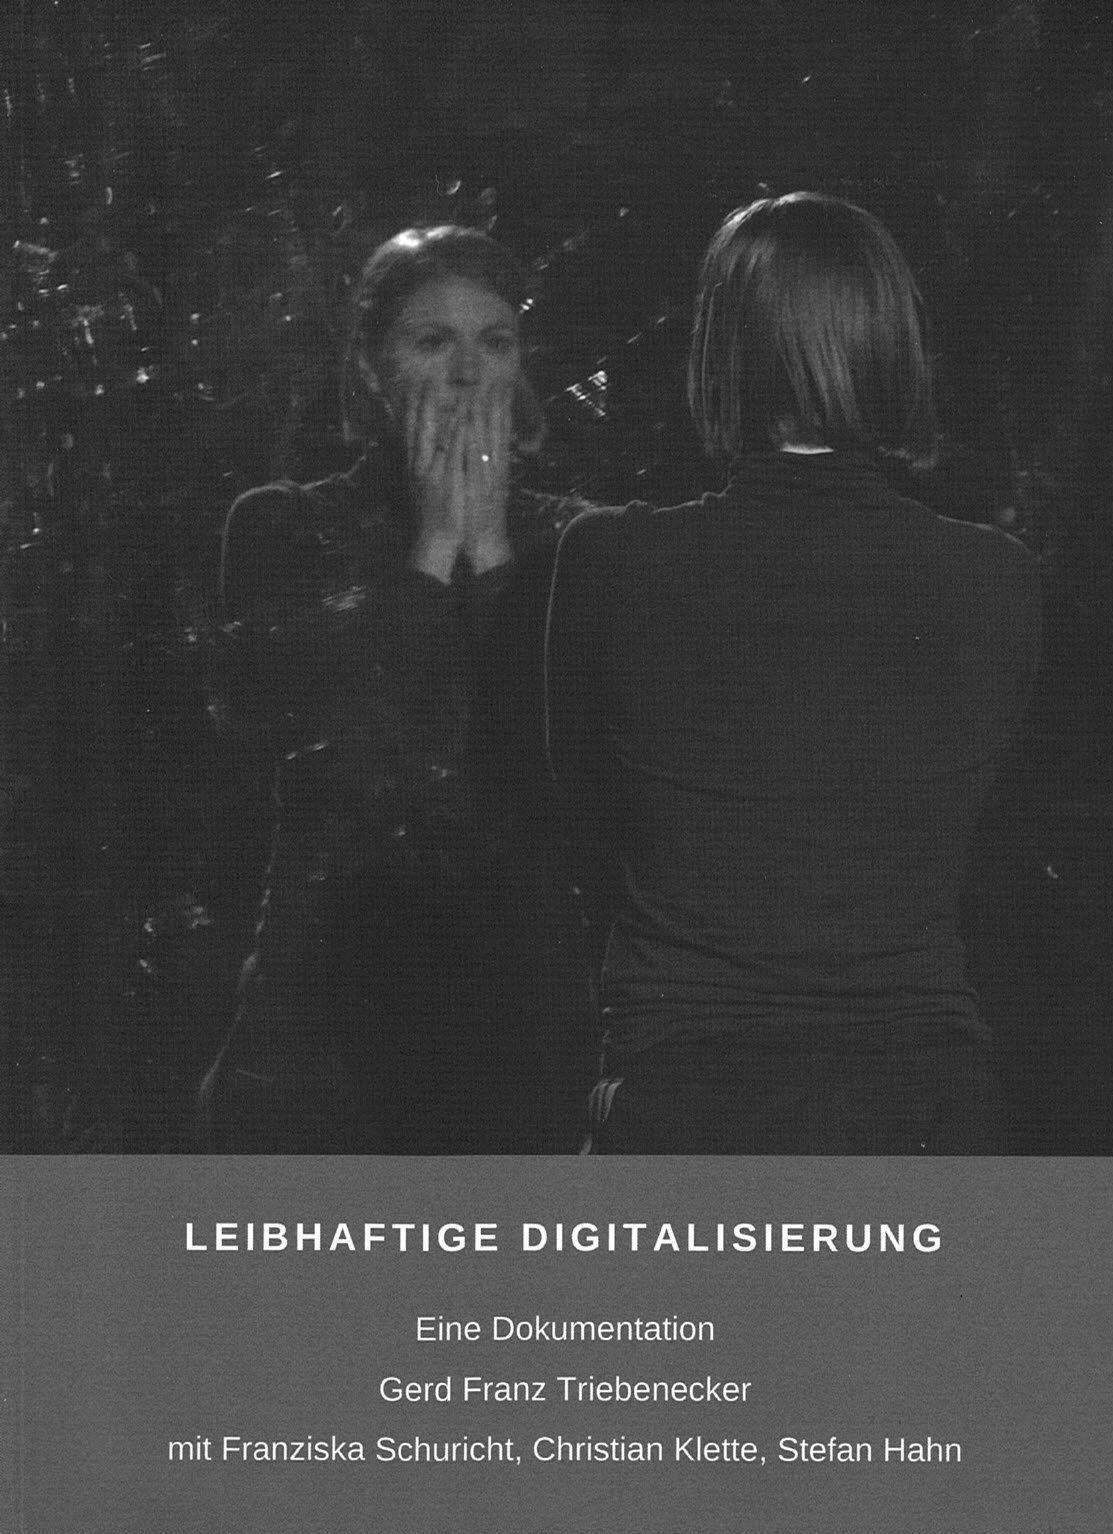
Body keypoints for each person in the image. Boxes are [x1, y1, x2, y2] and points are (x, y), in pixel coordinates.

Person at [546, 192, 1042, 1154]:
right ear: (889, 344)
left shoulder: (610, 562)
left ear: (718, 349)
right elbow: (988, 849)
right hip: (923, 1105)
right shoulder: (996, 579)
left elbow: (576, 826)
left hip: (688, 1090)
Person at [197, 225, 594, 1153]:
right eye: (432, 341)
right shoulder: (282, 528)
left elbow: (560, 773)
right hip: (325, 1013)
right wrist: (431, 551)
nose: (467, 372)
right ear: (372, 371)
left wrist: (491, 557)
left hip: (521, 1017)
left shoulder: (577, 541)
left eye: (495, 341)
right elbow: (347, 764)